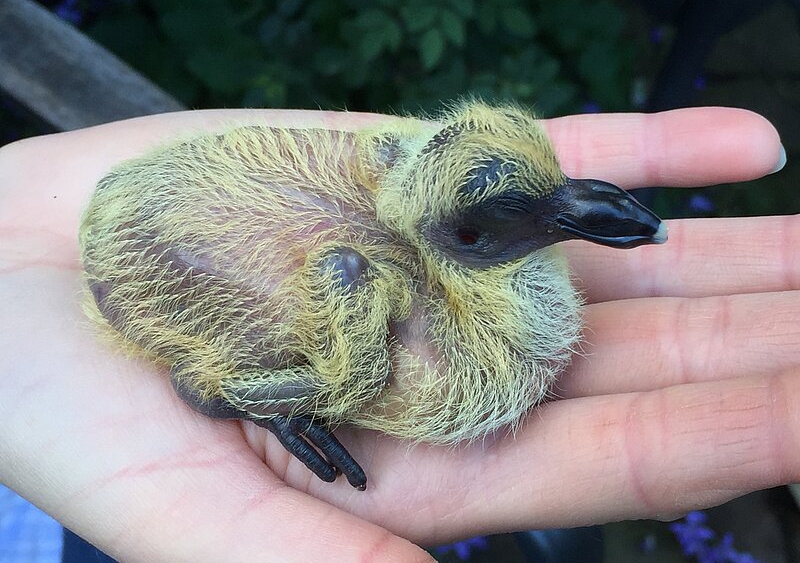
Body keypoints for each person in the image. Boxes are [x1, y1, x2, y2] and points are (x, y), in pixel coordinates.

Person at [0, 107, 794, 563]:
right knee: (342, 373)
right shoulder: (414, 339)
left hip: (164, 202)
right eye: (528, 214)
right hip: (157, 259)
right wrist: (272, 390)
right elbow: (350, 313)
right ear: (469, 239)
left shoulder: (398, 171)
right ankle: (249, 389)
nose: (588, 213)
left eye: (558, 196)